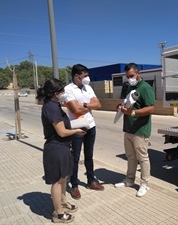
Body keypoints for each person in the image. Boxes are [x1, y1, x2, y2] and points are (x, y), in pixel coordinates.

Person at [36, 78, 86, 223]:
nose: (64, 93)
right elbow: (62, 132)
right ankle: (58, 214)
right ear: (56, 93)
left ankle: (63, 202)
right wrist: (76, 130)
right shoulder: (51, 107)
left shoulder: (54, 104)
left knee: (63, 178)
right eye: (62, 91)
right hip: (56, 147)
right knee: (58, 181)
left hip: (62, 147)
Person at [114, 63, 155, 197]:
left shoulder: (145, 88)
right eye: (127, 76)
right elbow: (129, 103)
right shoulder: (130, 87)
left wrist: (131, 113)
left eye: (131, 76)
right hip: (129, 129)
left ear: (138, 74)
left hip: (140, 130)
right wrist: (121, 107)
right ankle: (129, 180)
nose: (129, 79)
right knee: (131, 157)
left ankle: (144, 184)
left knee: (142, 158)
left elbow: (150, 109)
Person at [64, 64, 104, 200]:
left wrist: (84, 105)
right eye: (85, 76)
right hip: (76, 127)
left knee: (89, 155)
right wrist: (86, 106)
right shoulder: (68, 89)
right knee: (75, 157)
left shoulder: (88, 88)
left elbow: (98, 105)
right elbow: (75, 110)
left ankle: (91, 181)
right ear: (76, 76)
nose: (87, 78)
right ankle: (74, 185)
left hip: (90, 125)